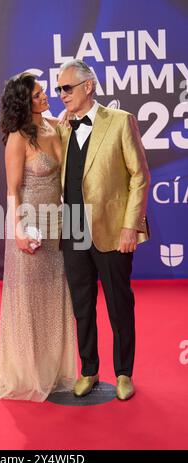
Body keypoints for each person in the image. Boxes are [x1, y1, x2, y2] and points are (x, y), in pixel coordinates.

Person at [0, 72, 77, 401]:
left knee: (55, 298)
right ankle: (27, 371)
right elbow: (12, 191)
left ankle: (53, 370)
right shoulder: (17, 138)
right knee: (30, 301)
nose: (45, 96)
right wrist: (20, 231)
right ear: (24, 102)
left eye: (42, 92)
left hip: (57, 225)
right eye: (38, 94)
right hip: (31, 225)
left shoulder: (54, 125)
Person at [56, 59, 151, 400]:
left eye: (67, 88)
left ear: (88, 86)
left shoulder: (121, 122)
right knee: (82, 305)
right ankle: (89, 369)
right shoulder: (62, 127)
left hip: (112, 229)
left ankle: (124, 372)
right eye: (58, 89)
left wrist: (131, 226)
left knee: (118, 303)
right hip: (72, 230)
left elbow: (140, 176)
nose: (61, 94)